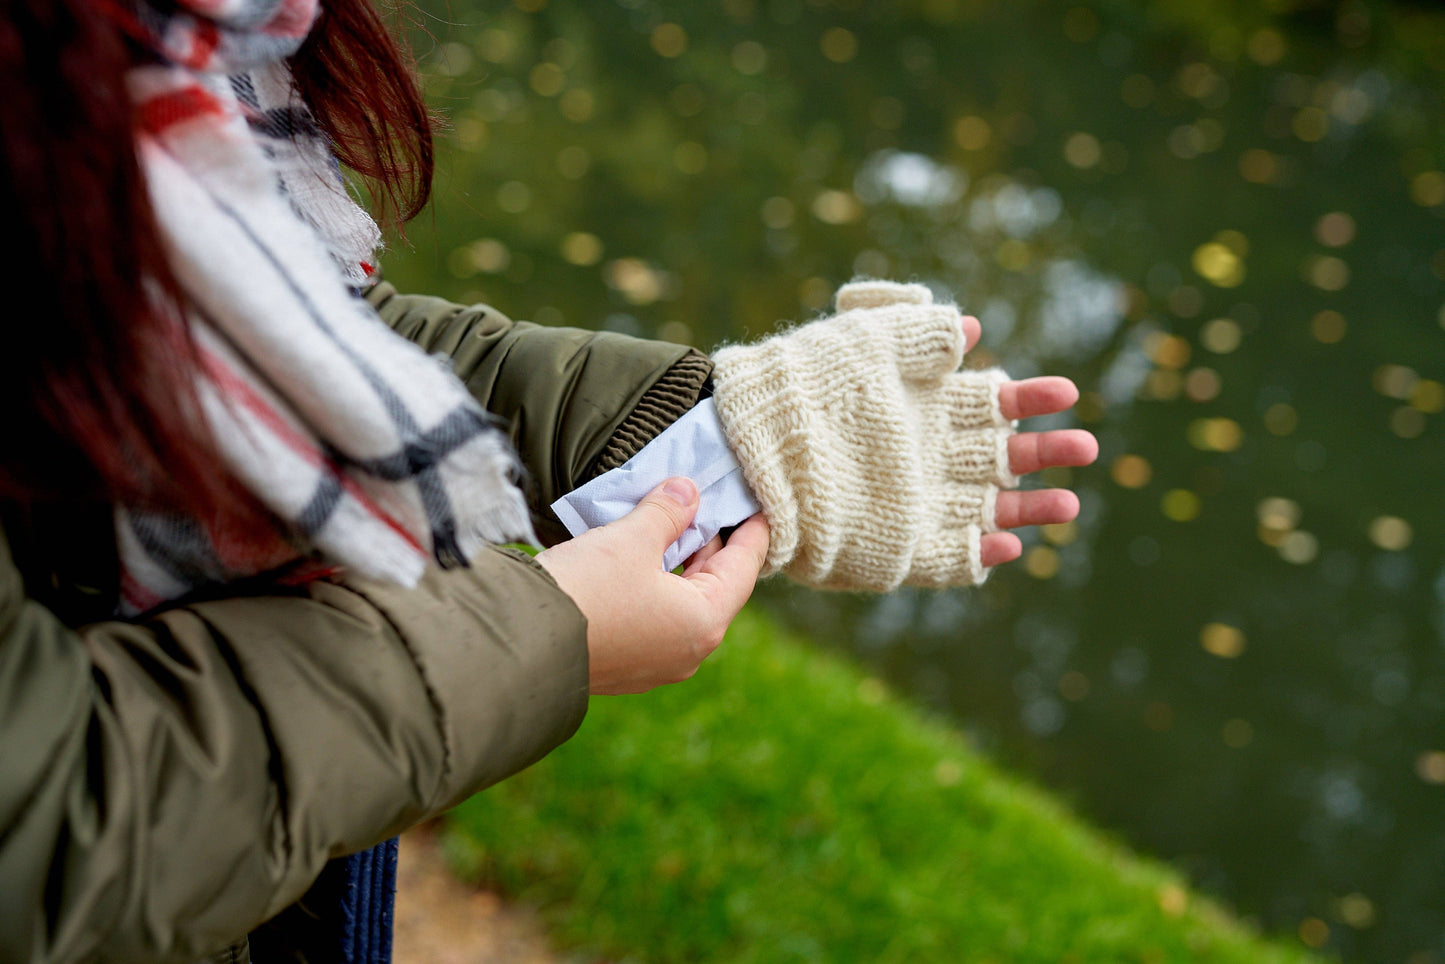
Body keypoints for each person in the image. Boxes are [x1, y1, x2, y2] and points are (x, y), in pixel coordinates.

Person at [0, 0, 1096, 962]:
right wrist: (547, 626)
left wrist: (717, 435)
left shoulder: (172, 36)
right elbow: (50, 818)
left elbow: (267, 332)